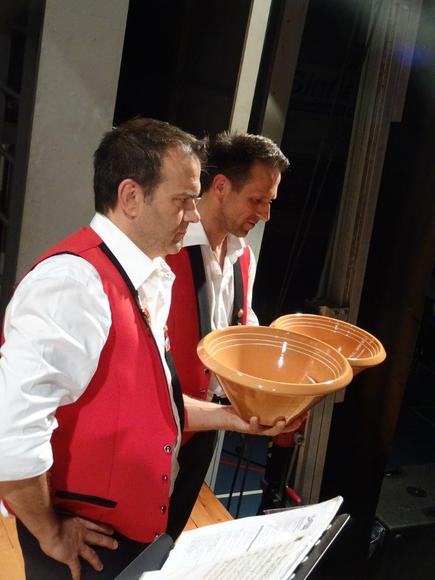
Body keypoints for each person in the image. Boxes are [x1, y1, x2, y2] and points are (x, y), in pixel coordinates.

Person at [0, 118, 293, 580]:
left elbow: (150, 403)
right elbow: (11, 438)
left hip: (130, 527)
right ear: (131, 197)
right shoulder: (72, 282)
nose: (193, 215)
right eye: (182, 201)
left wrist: (234, 417)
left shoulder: (147, 276)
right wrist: (50, 532)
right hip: (90, 538)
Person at [166, 131, 300, 540]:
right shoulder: (165, 249)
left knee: (169, 538)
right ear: (221, 187)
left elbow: (240, 335)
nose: (265, 214)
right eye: (257, 200)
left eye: (270, 202)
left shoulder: (244, 255)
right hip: (156, 428)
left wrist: (283, 391)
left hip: (202, 427)